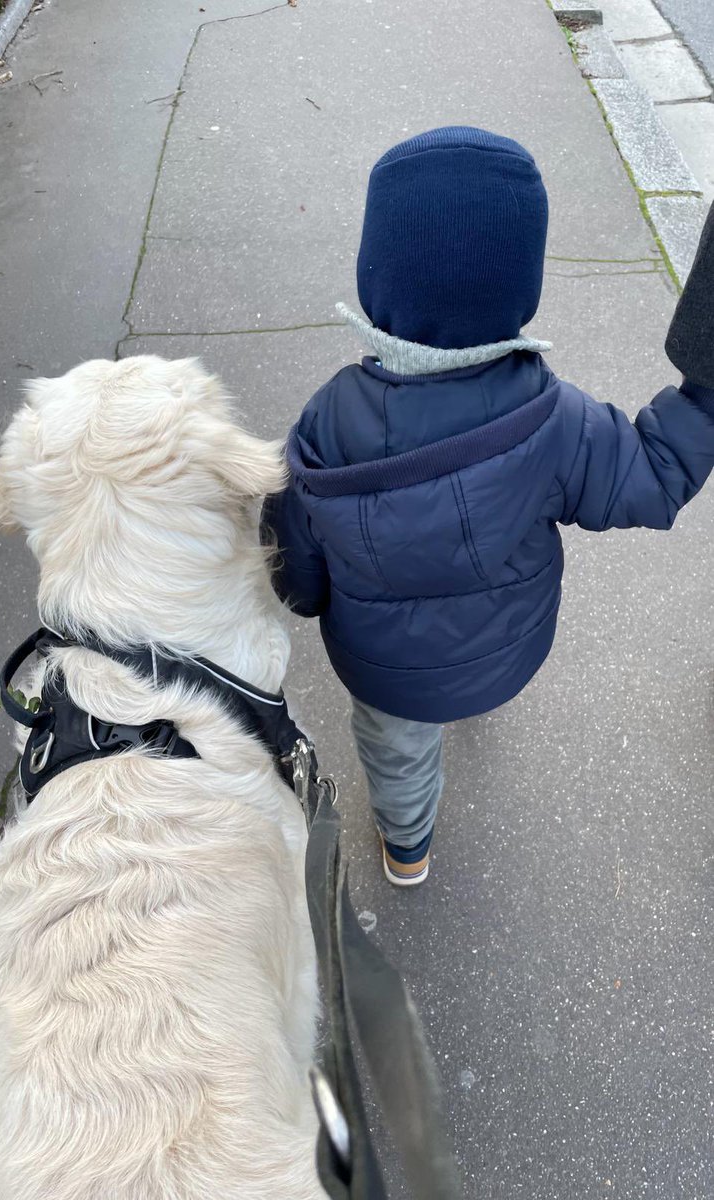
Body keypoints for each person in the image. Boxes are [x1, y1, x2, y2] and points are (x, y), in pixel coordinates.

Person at [263, 126, 714, 886]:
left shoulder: (327, 419)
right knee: (457, 681)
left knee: (398, 751)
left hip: (386, 673)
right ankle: (468, 703)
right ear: (520, 289)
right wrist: (704, 391)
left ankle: (409, 850)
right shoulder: (553, 415)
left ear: (377, 280)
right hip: (507, 653)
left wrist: (307, 598)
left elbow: (294, 554)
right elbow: (655, 473)